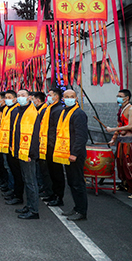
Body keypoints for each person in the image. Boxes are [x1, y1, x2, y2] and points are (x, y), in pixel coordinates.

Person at [56, 90, 89, 221]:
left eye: (72, 97)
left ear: (76, 98)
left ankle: (82, 211)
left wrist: (75, 153)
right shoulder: (65, 112)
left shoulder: (78, 113)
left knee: (77, 183)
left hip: (76, 154)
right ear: (62, 98)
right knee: (71, 182)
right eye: (66, 97)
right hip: (66, 153)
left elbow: (81, 136)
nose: (69, 99)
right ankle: (76, 208)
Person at [106, 89, 132, 199]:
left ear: (127, 98)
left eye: (120, 96)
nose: (118, 98)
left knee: (131, 164)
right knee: (121, 164)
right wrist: (114, 138)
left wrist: (113, 129)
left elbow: (131, 126)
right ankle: (125, 184)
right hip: (121, 141)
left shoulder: (131, 109)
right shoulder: (122, 109)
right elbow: (120, 123)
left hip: (129, 142)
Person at [12, 90, 41, 219]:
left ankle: (34, 210)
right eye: (18, 96)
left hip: (28, 153)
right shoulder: (20, 111)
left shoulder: (32, 112)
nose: (20, 98)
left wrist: (31, 153)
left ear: (29, 97)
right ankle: (29, 206)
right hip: (21, 151)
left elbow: (35, 136)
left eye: (23, 95)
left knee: (31, 182)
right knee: (26, 180)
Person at [39, 88, 65, 207]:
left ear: (56, 97)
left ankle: (59, 197)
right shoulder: (50, 109)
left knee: (57, 172)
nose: (48, 97)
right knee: (51, 172)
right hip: (48, 144)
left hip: (54, 145)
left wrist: (54, 145)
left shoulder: (58, 110)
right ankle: (53, 194)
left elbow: (56, 129)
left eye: (49, 95)